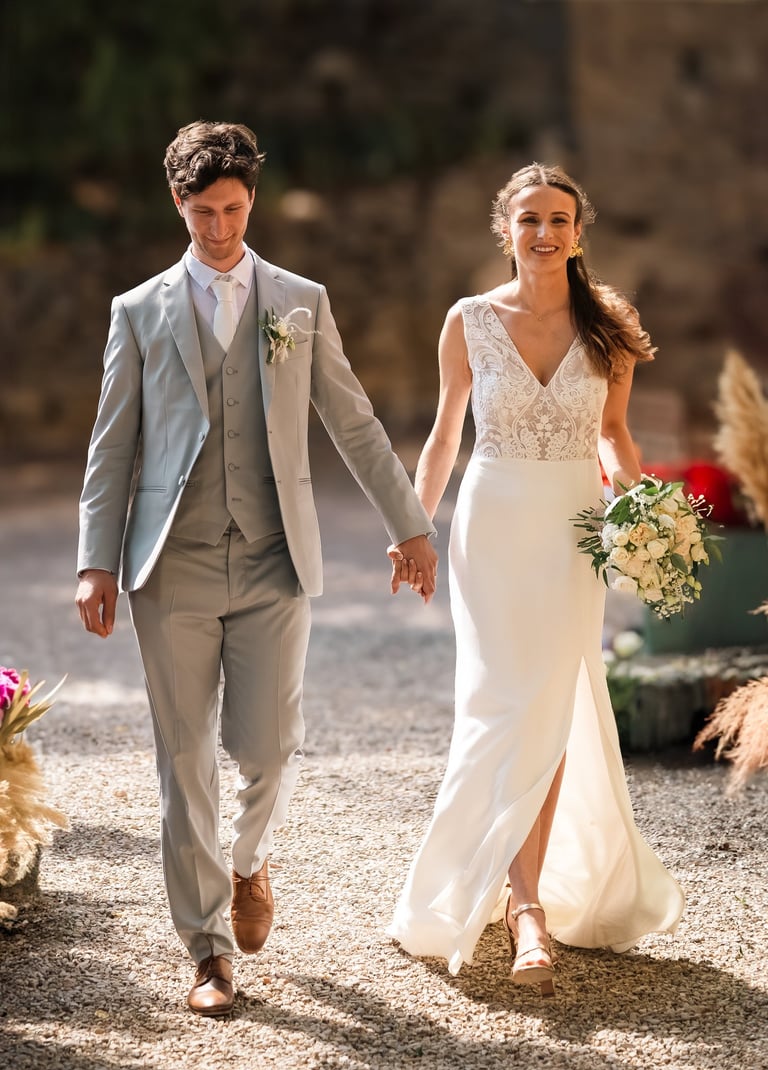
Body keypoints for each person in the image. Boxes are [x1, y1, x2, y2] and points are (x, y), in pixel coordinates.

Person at [76, 120, 437, 1016]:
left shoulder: (299, 301)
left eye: (234, 209)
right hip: (173, 564)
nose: (220, 228)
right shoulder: (138, 310)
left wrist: (411, 526)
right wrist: (95, 562)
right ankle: (207, 951)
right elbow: (111, 444)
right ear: (178, 203)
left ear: (252, 200)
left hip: (276, 557)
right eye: (204, 212)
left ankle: (247, 861)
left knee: (268, 746)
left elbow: (353, 421)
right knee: (184, 757)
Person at [388, 164, 684, 994]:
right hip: (493, 529)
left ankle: (526, 907)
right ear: (506, 230)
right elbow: (445, 434)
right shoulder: (469, 320)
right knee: (503, 701)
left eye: (559, 219)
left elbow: (614, 433)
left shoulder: (609, 327)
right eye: (530, 219)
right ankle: (519, 903)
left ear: (579, 233)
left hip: (574, 533)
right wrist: (413, 526)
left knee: (550, 701)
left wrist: (644, 516)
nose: (544, 233)